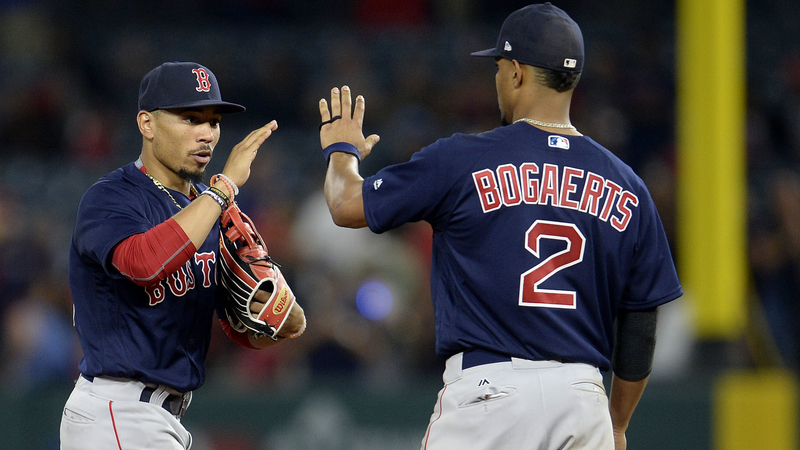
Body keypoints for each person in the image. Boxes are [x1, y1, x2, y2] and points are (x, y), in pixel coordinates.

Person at [317, 4, 682, 450]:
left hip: (490, 395)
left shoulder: (463, 158)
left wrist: (341, 150)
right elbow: (641, 325)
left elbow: (345, 205)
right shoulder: (628, 185)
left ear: (514, 72)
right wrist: (617, 424)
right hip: (582, 398)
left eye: (497, 67)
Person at [60, 61, 305, 450]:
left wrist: (280, 316)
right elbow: (143, 263)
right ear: (147, 124)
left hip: (160, 418)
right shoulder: (111, 198)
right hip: (117, 411)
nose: (206, 133)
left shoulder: (205, 211)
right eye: (191, 118)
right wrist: (223, 189)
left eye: (213, 121)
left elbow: (241, 329)